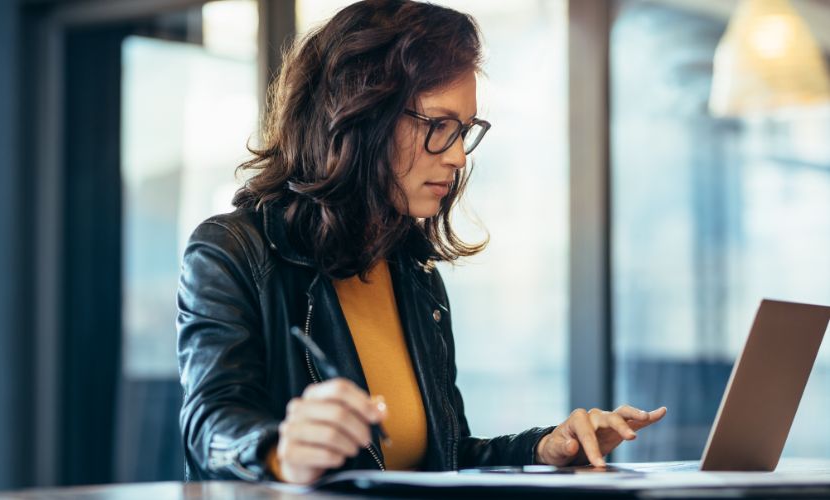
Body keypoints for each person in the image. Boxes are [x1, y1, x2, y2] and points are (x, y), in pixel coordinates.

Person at [176, 0, 666, 485]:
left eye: (464, 131)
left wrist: (544, 447)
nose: (457, 156)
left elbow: (443, 459)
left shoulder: (412, 269)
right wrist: (282, 452)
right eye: (438, 126)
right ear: (360, 114)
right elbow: (210, 426)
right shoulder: (231, 252)